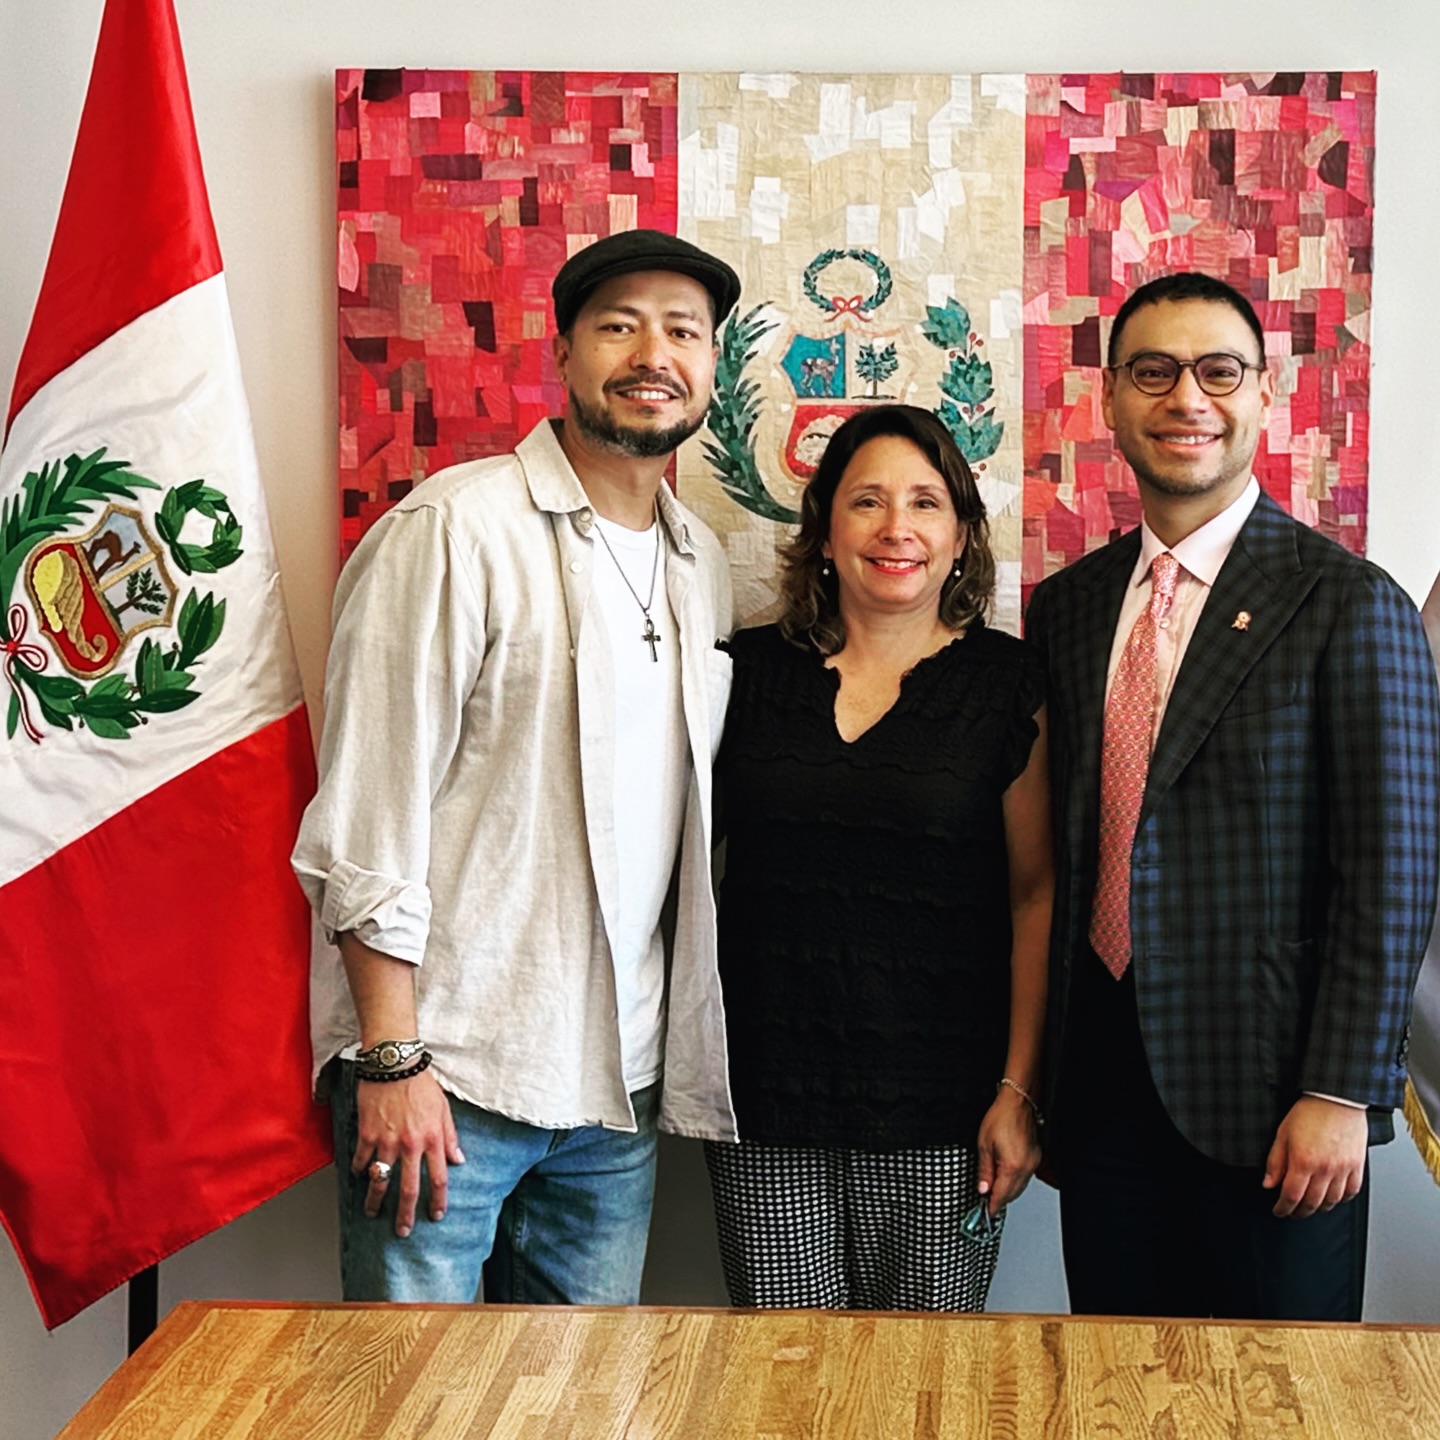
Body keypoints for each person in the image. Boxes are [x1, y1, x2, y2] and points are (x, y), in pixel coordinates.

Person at [293, 230, 744, 1305]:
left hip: (615, 1091)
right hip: (447, 1070)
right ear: (565, 351)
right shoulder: (456, 529)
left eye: (683, 332)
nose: (654, 355)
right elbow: (369, 811)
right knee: (414, 1388)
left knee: (582, 1393)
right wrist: (391, 1058)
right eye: (620, 326)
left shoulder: (703, 567)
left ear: (712, 367)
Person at [1025, 271, 1440, 1321]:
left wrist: (1343, 1089)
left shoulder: (1349, 603)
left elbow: (1393, 871)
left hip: (1276, 1102)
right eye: (1153, 372)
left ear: (1263, 393)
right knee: (1115, 1383)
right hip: (1101, 1094)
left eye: (1218, 371)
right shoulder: (1068, 609)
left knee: (1276, 1393)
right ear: (1111, 396)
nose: (1186, 399)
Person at [704, 404, 1052, 1311]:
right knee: (783, 1371)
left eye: (926, 503)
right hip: (764, 1096)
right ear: (824, 532)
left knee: (924, 1377)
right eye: (867, 501)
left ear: (961, 537)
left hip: (948, 1109)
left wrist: (1019, 1090)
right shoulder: (743, 673)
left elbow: (1035, 895)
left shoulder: (1007, 684)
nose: (898, 528)